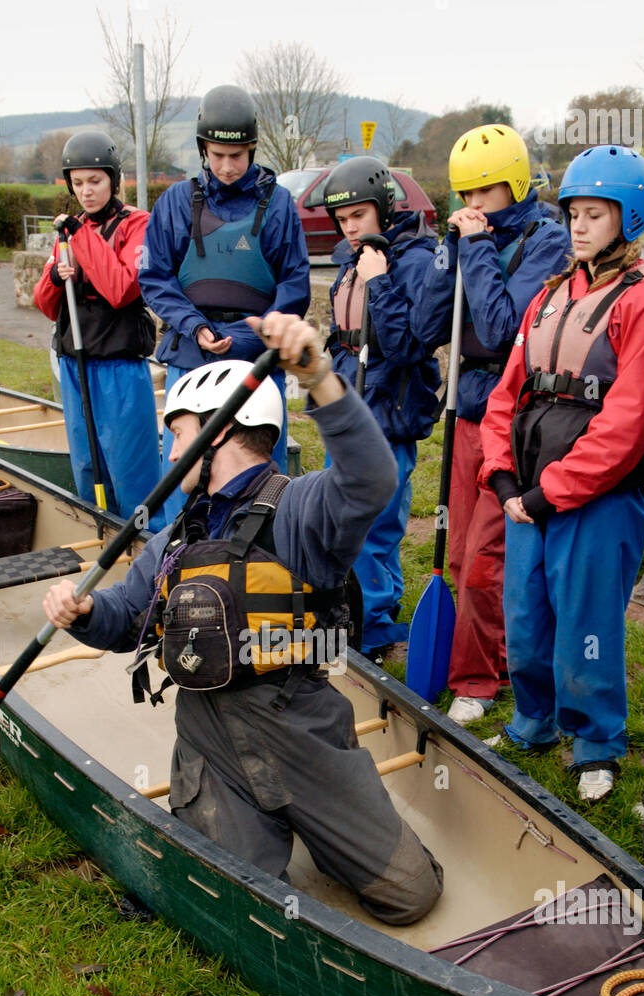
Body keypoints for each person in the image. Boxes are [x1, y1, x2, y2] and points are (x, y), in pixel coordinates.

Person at [42, 312, 443, 926]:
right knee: (238, 907)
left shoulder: (302, 507)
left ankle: (322, 827)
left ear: (221, 432)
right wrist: (86, 609)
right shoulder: (177, 534)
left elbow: (371, 480)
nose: (172, 454)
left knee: (412, 897)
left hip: (300, 727)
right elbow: (125, 620)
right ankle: (250, 825)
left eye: (179, 436)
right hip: (210, 735)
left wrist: (319, 376)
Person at [478, 145, 644, 801]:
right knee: (527, 622)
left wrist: (549, 493)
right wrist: (504, 479)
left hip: (595, 501)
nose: (581, 226)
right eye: (574, 214)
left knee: (586, 629)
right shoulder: (550, 294)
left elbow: (628, 419)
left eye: (597, 214)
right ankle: (534, 721)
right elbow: (507, 392)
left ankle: (595, 742)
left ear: (630, 218)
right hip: (530, 496)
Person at [426, 124, 571, 724]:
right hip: (465, 405)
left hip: (512, 414)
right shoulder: (463, 237)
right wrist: (448, 257)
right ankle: (504, 653)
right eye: (464, 195)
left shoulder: (547, 239)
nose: (472, 207)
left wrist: (478, 250)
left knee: (487, 558)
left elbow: (502, 324)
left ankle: (477, 682)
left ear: (514, 184)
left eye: (484, 192)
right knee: (461, 556)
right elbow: (434, 325)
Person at [138, 84, 310, 516]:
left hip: (254, 359)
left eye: (237, 156)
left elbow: (295, 285)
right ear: (203, 151)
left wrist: (245, 338)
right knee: (183, 480)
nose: (228, 166)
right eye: (217, 155)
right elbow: (155, 277)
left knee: (255, 484)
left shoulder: (280, 205)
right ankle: (175, 562)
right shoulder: (176, 202)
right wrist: (197, 327)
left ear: (252, 149)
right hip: (191, 354)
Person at [321, 156, 442, 660]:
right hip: (349, 407)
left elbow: (408, 345)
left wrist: (379, 281)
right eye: (342, 219)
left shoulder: (413, 259)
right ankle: (348, 608)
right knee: (343, 519)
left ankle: (374, 623)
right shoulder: (353, 259)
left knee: (377, 523)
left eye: (358, 216)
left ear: (384, 208)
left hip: (388, 414)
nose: (350, 228)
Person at [33, 131, 161, 520]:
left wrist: (80, 238)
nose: (86, 192)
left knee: (130, 465)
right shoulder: (68, 233)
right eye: (78, 183)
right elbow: (45, 303)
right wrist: (56, 275)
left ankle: (145, 540)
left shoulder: (137, 224)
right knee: (87, 463)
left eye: (95, 181)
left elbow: (122, 289)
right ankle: (96, 528)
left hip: (119, 365)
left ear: (113, 180)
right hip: (76, 362)